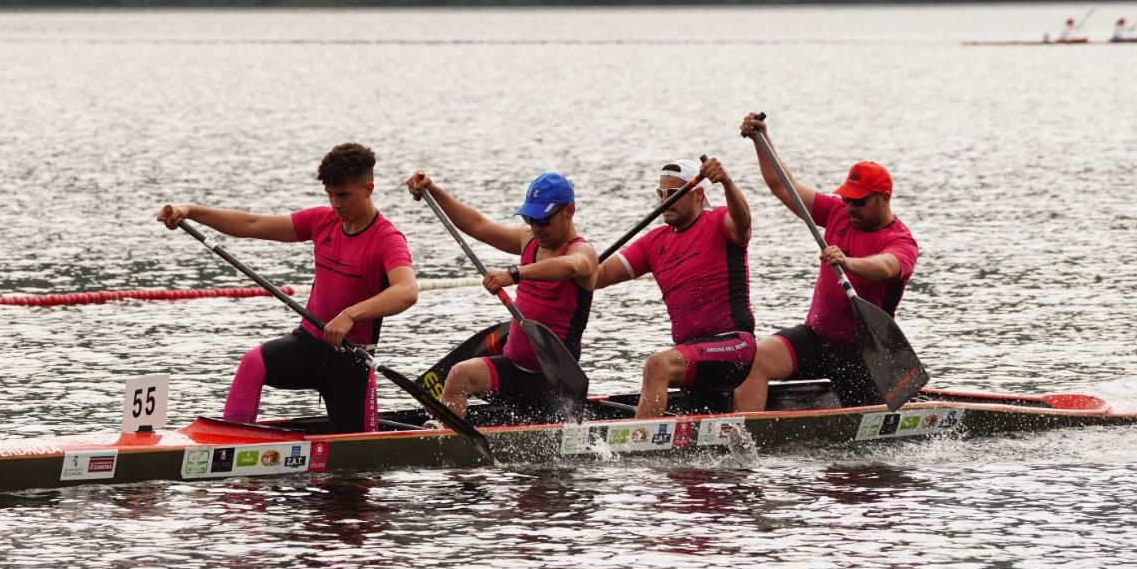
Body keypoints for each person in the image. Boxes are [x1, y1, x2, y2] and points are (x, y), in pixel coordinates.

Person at [158, 143, 418, 432]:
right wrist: (190, 210)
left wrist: (350, 315)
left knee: (356, 472)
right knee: (253, 362)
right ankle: (229, 447)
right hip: (308, 345)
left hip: (351, 360)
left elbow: (406, 291)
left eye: (343, 195)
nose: (335, 203)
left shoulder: (387, 239)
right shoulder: (322, 221)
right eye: (330, 194)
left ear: (368, 189)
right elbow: (252, 224)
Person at [732, 114, 919, 411]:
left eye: (859, 201)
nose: (850, 206)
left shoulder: (900, 241)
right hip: (816, 338)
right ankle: (744, 441)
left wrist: (848, 262)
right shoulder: (837, 212)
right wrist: (761, 139)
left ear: (884, 199)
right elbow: (783, 187)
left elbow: (886, 267)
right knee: (754, 359)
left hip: (864, 353)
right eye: (847, 198)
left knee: (867, 446)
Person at [406, 169, 598, 421]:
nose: (536, 227)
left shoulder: (583, 252)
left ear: (569, 211)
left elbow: (570, 267)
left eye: (543, 219)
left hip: (553, 384)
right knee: (459, 375)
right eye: (530, 219)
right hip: (513, 370)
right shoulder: (528, 240)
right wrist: (434, 190)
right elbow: (475, 224)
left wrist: (514, 274)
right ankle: (446, 442)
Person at [594, 157, 755, 419]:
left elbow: (743, 221)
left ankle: (639, 444)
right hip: (693, 354)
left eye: (672, 194)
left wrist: (726, 181)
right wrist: (568, 263)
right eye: (661, 193)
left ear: (697, 195)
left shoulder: (719, 221)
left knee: (658, 365)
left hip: (733, 345)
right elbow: (598, 276)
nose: (664, 200)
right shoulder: (653, 242)